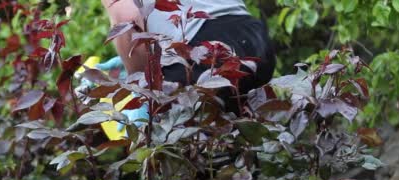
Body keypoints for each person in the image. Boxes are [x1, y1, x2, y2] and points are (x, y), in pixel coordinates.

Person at [100, 0, 276, 115]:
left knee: (193, 161)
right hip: (252, 37)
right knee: (242, 143)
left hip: (202, 54)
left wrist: (139, 86)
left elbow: (127, 18)